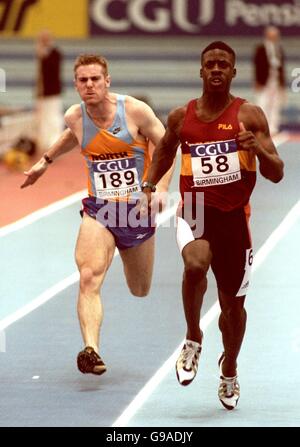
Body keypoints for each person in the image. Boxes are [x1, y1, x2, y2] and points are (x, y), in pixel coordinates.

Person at [139, 41, 284, 410]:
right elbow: (165, 151)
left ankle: (230, 367)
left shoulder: (249, 115)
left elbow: (277, 172)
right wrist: (148, 186)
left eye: (224, 64)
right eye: (210, 64)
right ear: (201, 72)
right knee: (195, 264)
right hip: (196, 212)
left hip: (235, 218)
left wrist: (258, 148)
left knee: (232, 310)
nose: (217, 69)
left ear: (234, 73)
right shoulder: (180, 117)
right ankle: (192, 337)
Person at [21, 54, 173, 376]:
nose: (89, 85)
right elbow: (72, 136)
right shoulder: (75, 116)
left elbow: (169, 146)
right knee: (88, 276)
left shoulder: (135, 111)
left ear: (107, 81)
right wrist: (44, 162)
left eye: (95, 79)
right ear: (75, 84)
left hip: (136, 211)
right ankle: (91, 349)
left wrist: (160, 187)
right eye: (82, 80)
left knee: (140, 289)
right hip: (99, 208)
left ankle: (123, 253)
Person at [253, 26, 286, 136]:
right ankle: (261, 127)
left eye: (276, 35)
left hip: (275, 81)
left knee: (275, 104)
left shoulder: (279, 49)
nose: (274, 37)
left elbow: (281, 68)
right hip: (264, 81)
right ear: (267, 35)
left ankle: (273, 128)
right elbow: (257, 66)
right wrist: (257, 81)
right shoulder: (260, 48)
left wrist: (282, 83)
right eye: (272, 35)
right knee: (262, 103)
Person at [36, 30, 64, 152]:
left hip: (53, 92)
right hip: (43, 93)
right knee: (43, 118)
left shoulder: (56, 53)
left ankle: (54, 142)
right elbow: (40, 75)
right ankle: (44, 142)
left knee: (54, 118)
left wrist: (43, 57)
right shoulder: (42, 54)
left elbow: (52, 72)